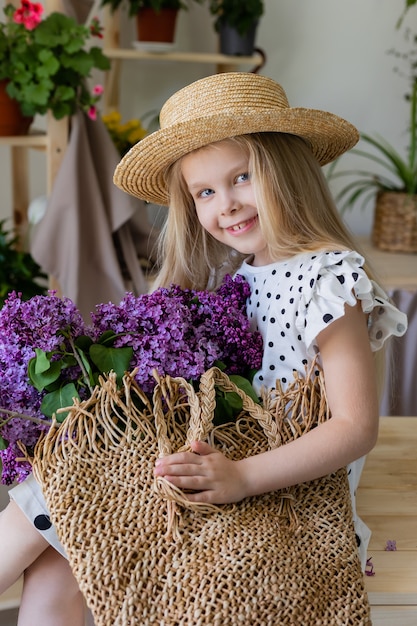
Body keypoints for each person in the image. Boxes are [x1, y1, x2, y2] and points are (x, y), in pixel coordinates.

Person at [0, 72, 407, 622]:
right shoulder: (244, 273)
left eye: (242, 177)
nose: (227, 205)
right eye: (205, 192)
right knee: (62, 544)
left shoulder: (326, 278)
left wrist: (240, 478)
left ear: (288, 171)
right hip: (227, 459)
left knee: (60, 495)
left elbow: (355, 428)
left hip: (282, 484)